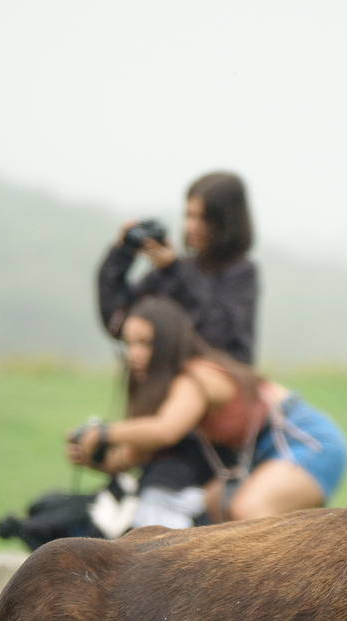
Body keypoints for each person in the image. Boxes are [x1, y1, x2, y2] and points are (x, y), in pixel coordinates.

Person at [67, 297, 347, 522]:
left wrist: (104, 432)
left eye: (146, 343)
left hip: (303, 438)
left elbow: (165, 430)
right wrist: (93, 458)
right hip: (260, 454)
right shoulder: (172, 389)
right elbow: (135, 456)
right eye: (128, 344)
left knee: (247, 511)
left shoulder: (195, 377)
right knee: (211, 513)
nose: (134, 354)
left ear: (168, 342)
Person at [96, 171, 259, 527]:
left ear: (225, 221)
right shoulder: (175, 272)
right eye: (188, 215)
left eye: (202, 216)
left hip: (211, 427)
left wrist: (174, 274)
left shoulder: (240, 275)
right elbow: (119, 319)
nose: (191, 225)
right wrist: (120, 255)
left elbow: (217, 335)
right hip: (165, 410)